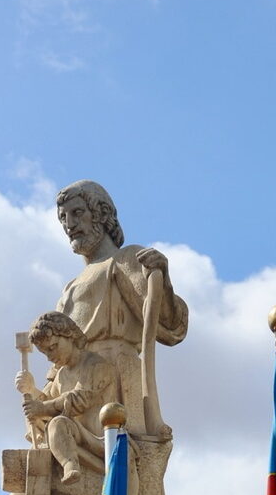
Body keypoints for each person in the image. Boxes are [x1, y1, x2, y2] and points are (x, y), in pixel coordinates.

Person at [53, 180, 187, 436]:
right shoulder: (69, 288)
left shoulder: (126, 259)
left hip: (116, 380)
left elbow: (167, 323)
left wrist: (163, 279)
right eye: (63, 218)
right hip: (74, 388)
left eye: (77, 213)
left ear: (101, 214)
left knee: (118, 461)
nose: (69, 225)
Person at [15, 311, 115, 485]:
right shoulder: (61, 375)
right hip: (73, 434)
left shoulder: (95, 364)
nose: (50, 357)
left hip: (98, 439)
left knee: (58, 423)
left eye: (52, 347)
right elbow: (47, 400)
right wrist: (31, 389)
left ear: (70, 336)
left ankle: (70, 464)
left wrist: (42, 408)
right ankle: (58, 453)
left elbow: (78, 400)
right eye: (45, 353)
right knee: (52, 422)